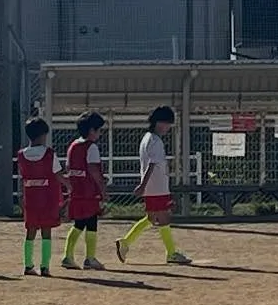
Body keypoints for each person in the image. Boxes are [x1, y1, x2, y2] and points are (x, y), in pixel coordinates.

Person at [115, 105, 191, 265]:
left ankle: (126, 242)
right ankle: (171, 253)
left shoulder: (147, 138)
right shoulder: (155, 141)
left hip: (153, 187)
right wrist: (143, 185)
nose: (168, 127)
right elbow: (151, 165)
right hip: (157, 187)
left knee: (151, 218)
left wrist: (144, 185)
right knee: (164, 218)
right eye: (167, 123)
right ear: (159, 122)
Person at [17, 117, 66, 277]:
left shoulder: (21, 155)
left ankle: (28, 265)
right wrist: (70, 186)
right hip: (47, 197)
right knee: (46, 230)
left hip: (30, 196)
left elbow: (22, 176)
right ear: (43, 135)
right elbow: (58, 175)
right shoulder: (49, 154)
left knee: (30, 230)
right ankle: (45, 266)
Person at [62, 111, 107, 271]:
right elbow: (93, 170)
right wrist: (103, 189)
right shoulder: (91, 147)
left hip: (77, 190)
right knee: (92, 223)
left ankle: (68, 256)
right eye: (99, 130)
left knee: (79, 223)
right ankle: (90, 258)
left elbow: (68, 167)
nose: (100, 133)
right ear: (92, 130)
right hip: (89, 191)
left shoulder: (73, 145)